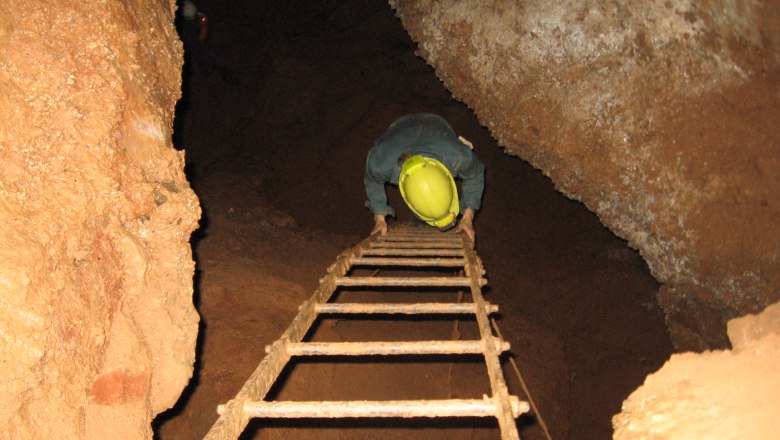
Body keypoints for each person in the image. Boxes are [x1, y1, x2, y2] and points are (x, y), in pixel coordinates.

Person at [364, 113, 485, 242]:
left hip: (438, 128)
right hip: (398, 131)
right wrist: (379, 218)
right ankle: (420, 217)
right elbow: (373, 181)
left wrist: (467, 218)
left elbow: (475, 175)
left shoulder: (458, 156)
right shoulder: (380, 164)